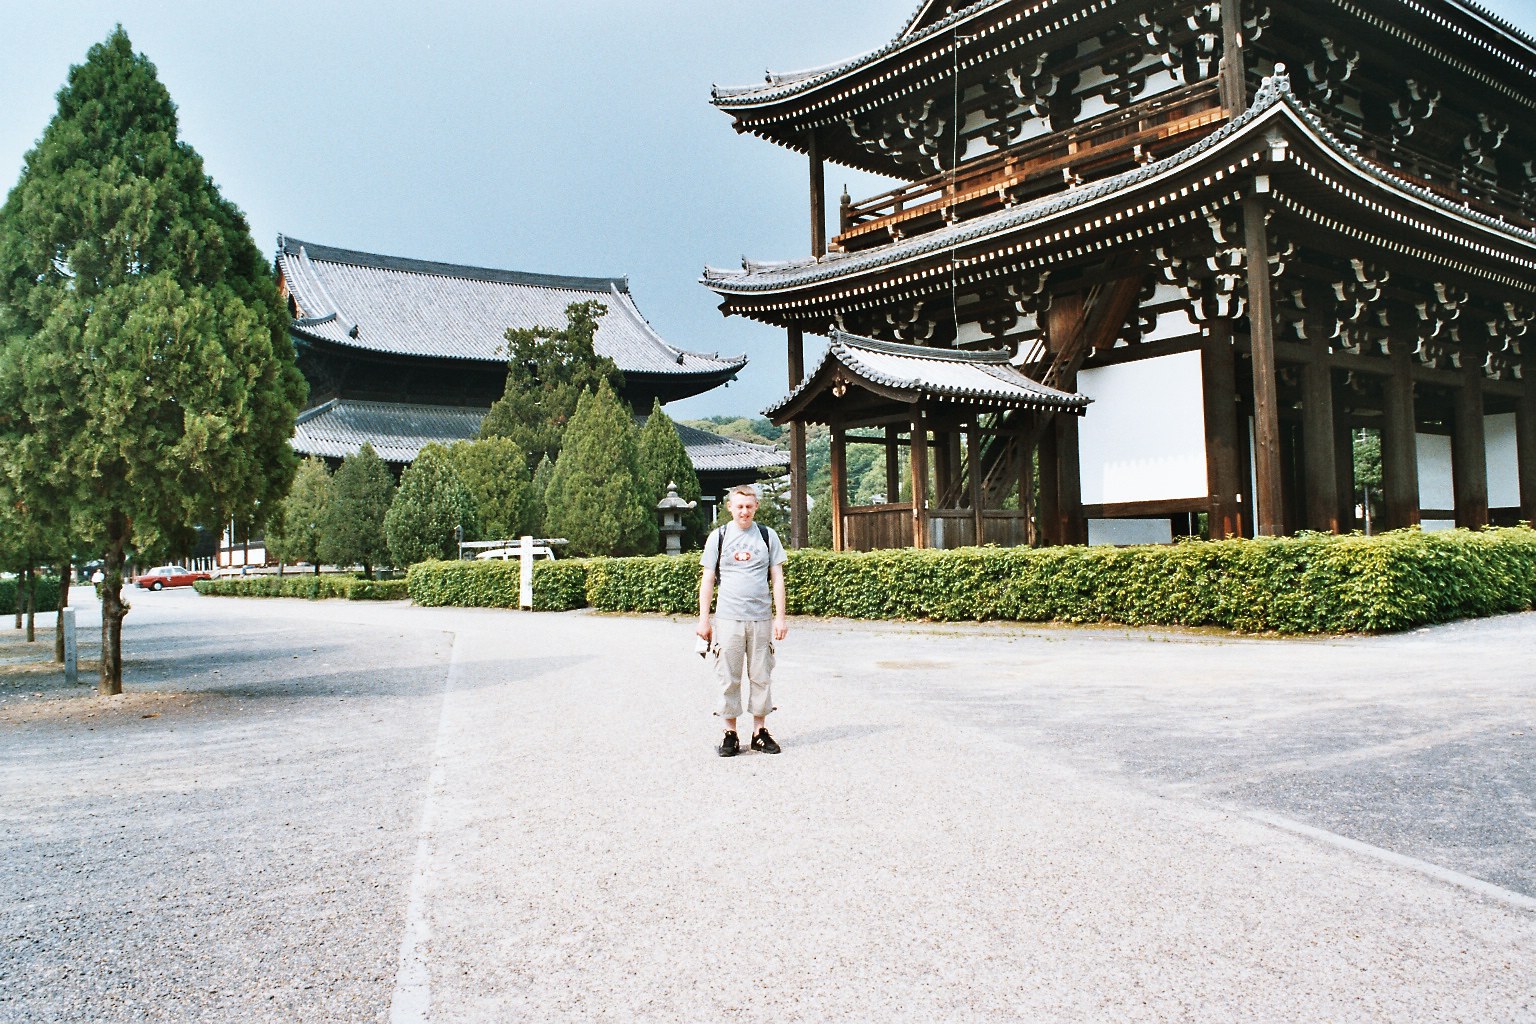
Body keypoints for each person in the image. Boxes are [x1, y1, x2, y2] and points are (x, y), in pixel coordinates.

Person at [697, 484, 788, 757]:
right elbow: (708, 579)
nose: (744, 511)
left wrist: (780, 618)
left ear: (756, 506)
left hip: (760, 618)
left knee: (761, 675)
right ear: (730, 507)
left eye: (749, 506)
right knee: (728, 676)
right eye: (739, 506)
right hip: (727, 618)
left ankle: (759, 731)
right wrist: (704, 620)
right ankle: (730, 733)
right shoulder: (719, 536)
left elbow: (778, 578)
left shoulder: (767, 536)